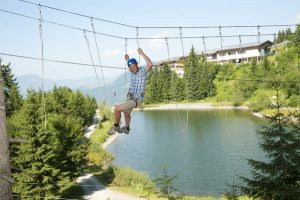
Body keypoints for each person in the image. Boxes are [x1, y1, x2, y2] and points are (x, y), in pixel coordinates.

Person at [107, 48, 153, 135]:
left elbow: (150, 64)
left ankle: (115, 126)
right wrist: (127, 59)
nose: (132, 68)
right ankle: (127, 128)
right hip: (130, 96)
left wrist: (142, 53)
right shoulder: (132, 71)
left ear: (137, 65)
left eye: (134, 66)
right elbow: (131, 64)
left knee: (117, 109)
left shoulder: (142, 71)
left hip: (137, 99)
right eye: (130, 67)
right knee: (126, 113)